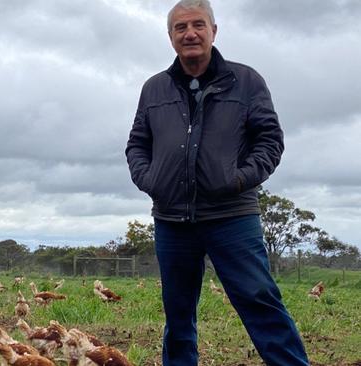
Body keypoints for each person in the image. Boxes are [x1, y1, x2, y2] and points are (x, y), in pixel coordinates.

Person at [125, 0, 309, 365]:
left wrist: (239, 179)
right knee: (178, 316)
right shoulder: (154, 88)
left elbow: (270, 140)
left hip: (232, 217)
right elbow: (137, 143)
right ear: (170, 36)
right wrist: (151, 180)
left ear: (213, 30)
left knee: (260, 301)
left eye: (198, 25)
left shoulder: (246, 81)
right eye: (181, 28)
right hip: (172, 221)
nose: (189, 33)